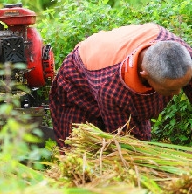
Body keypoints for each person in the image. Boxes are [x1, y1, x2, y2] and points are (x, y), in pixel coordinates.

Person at [50, 23, 192, 147]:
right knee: (82, 152)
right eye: (172, 89)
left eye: (182, 85)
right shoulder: (112, 88)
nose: (178, 92)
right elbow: (127, 143)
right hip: (79, 87)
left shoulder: (182, 54)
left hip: (108, 72)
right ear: (146, 75)